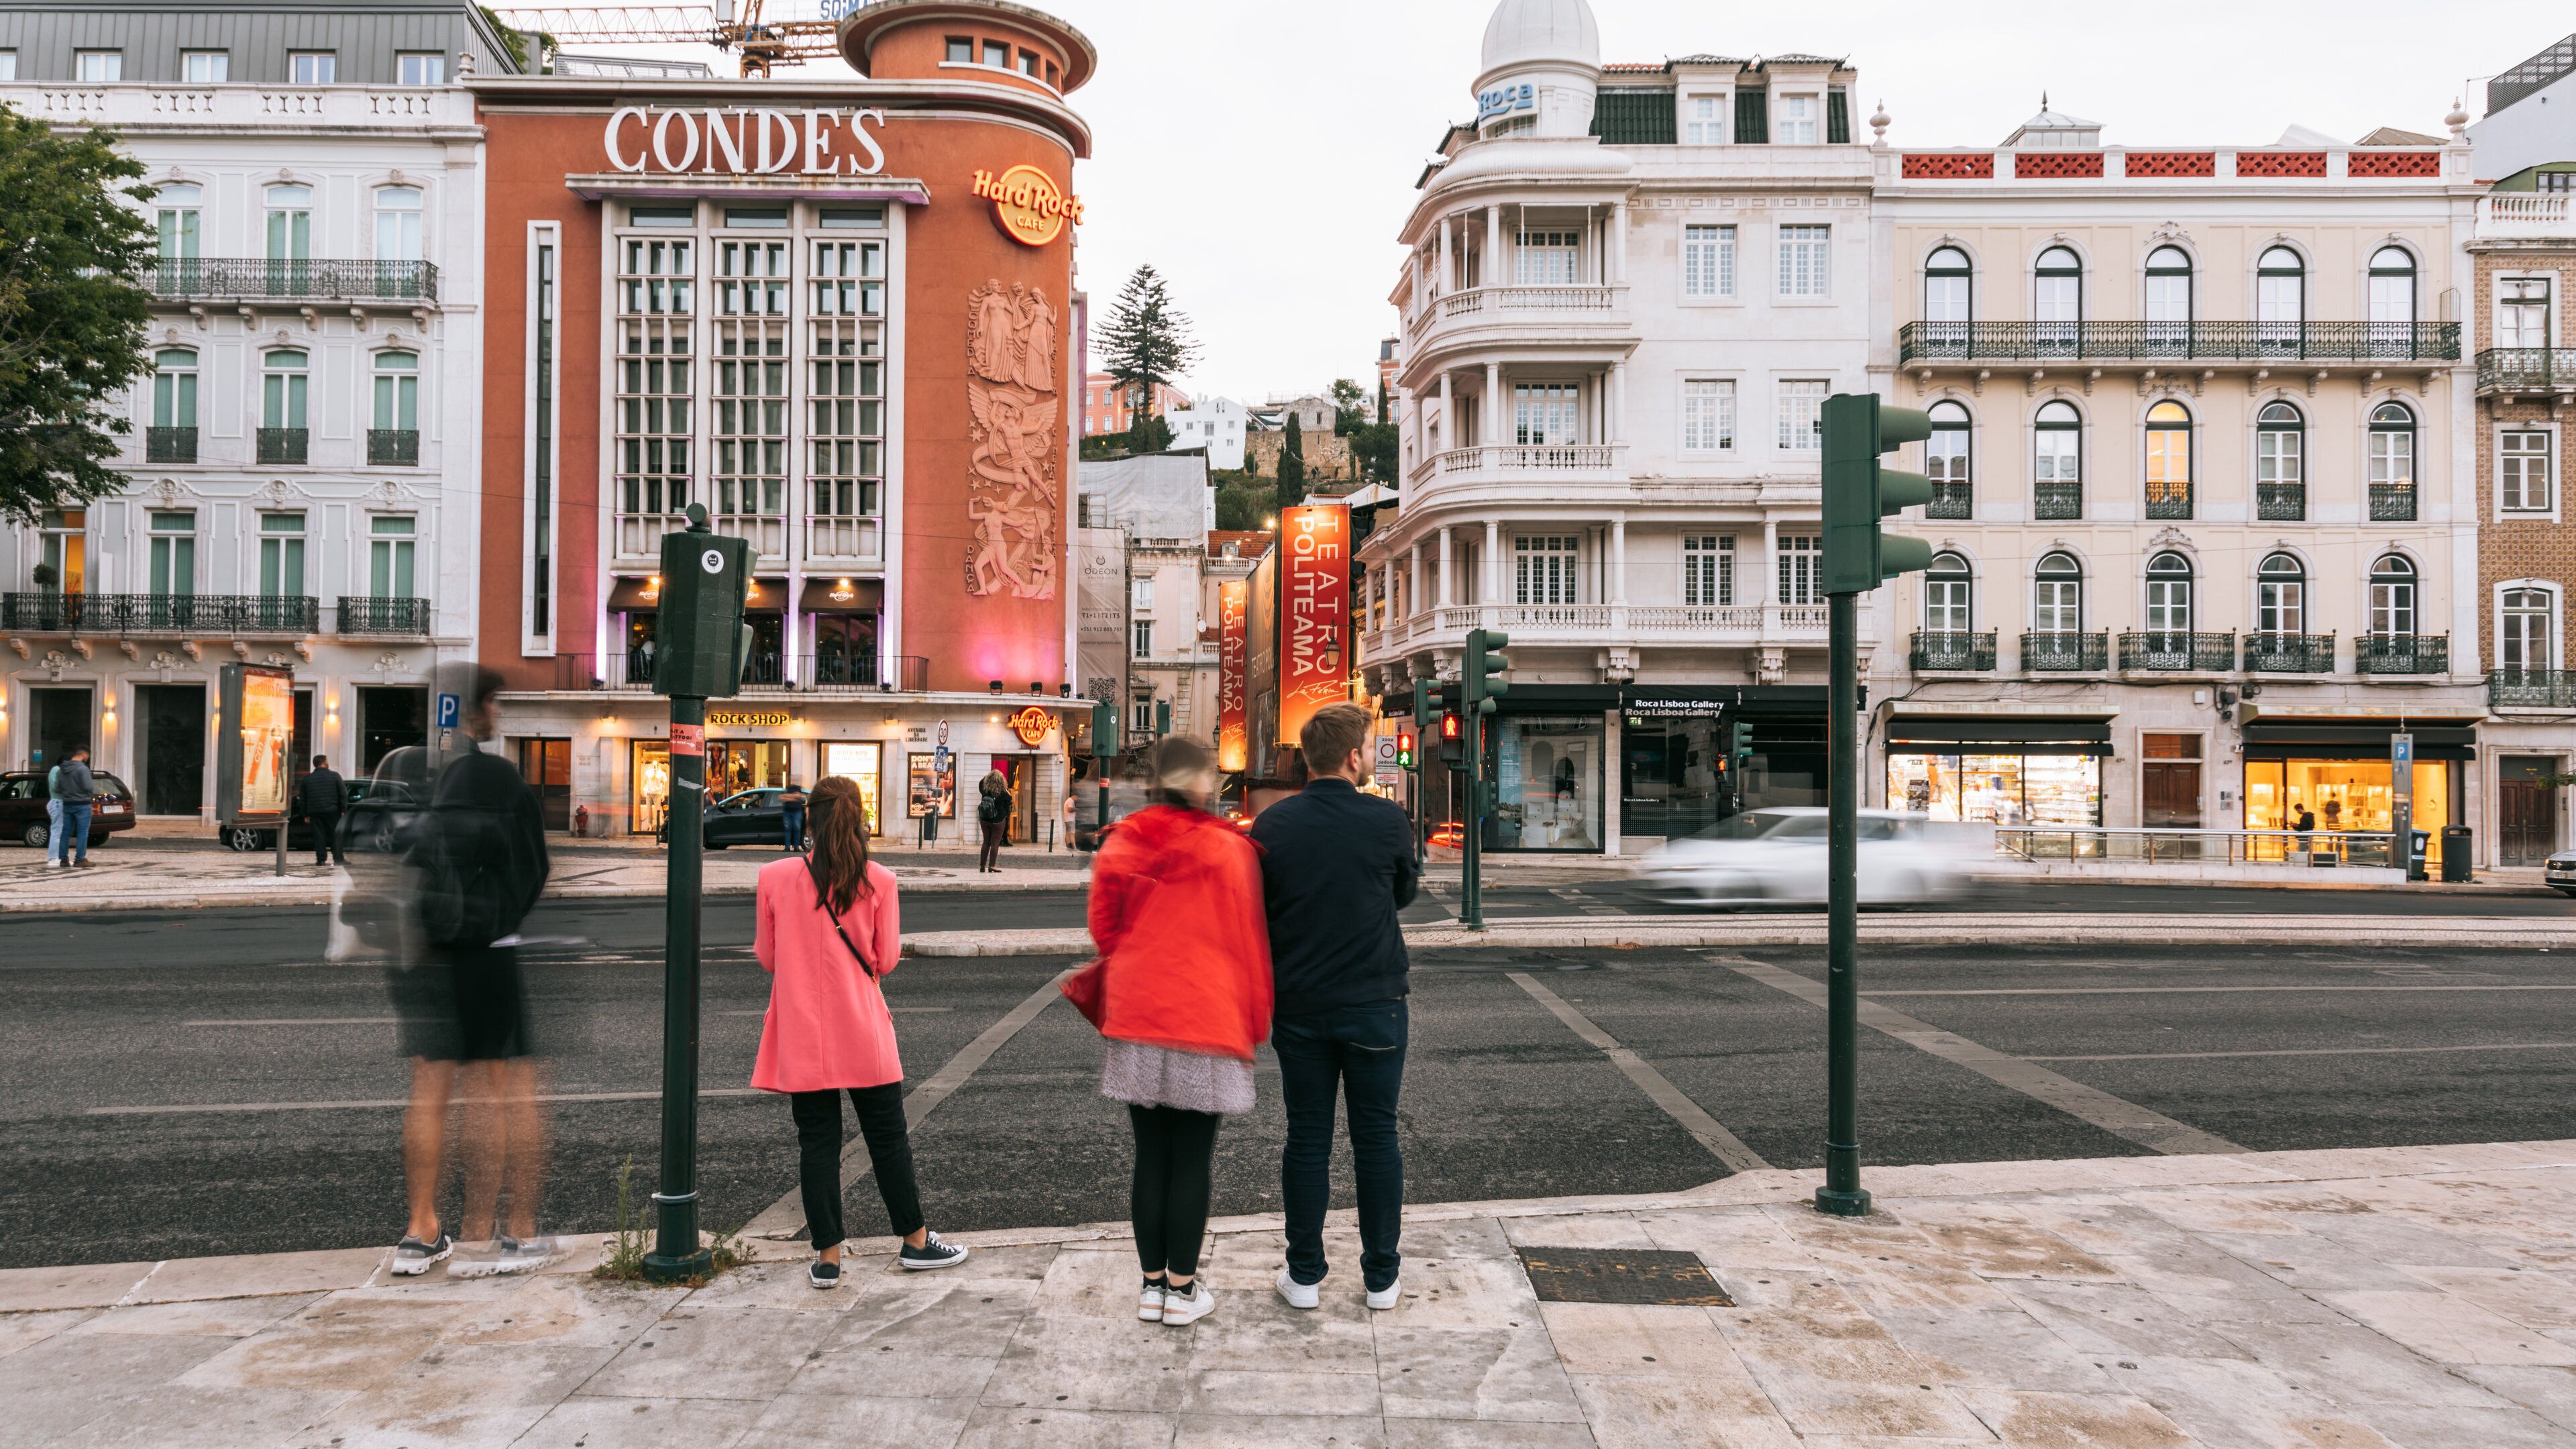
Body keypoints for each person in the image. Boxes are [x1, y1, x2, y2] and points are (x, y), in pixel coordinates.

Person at [1080, 735, 1271, 1328]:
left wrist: (1143, 961)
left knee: (1149, 1155)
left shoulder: (1125, 840)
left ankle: (1152, 1286)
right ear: (1204, 782)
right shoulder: (1230, 850)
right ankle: (1184, 1291)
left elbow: (1103, 929)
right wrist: (1256, 1015)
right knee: (1192, 1157)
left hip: (1139, 1014)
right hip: (1205, 1013)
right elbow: (1248, 939)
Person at [753, 775, 968, 1287]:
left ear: (811, 817)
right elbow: (887, 960)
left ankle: (828, 1257)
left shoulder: (774, 877)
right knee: (888, 1140)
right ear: (859, 819)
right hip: (863, 1029)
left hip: (802, 1034)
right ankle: (915, 1241)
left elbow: (766, 958)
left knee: (817, 1143)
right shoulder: (880, 882)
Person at [1250, 702, 1417, 1313]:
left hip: (1300, 1006)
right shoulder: (1387, 820)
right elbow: (1403, 892)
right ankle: (1381, 1279)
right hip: (1375, 1002)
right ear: (1353, 756)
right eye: (1369, 748)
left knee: (1307, 1140)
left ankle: (1305, 1276)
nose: (1371, 756)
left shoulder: (1271, 826)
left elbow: (1260, 912)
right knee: (1376, 1137)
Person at [391, 669, 555, 1279]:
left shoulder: (406, 771)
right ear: (479, 709)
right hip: (484, 947)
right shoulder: (495, 774)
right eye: (495, 704)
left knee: (429, 1090)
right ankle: (516, 1232)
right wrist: (499, 916)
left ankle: (420, 1231)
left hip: (421, 947)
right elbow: (534, 863)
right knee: (504, 1089)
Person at [301, 754, 349, 867]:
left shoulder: (307, 778)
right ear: (324, 763)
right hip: (333, 811)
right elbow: (343, 794)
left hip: (315, 812)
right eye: (327, 761)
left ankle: (321, 860)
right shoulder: (335, 776)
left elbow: (303, 799)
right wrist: (343, 810)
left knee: (319, 837)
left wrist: (305, 814)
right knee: (335, 835)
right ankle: (338, 858)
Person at [54, 747, 95, 869]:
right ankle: (80, 859)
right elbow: (88, 787)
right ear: (83, 754)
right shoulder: (83, 769)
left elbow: (57, 788)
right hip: (82, 804)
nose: (87, 759)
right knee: (83, 832)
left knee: (65, 833)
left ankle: (63, 859)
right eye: (87, 756)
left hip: (67, 804)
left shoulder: (61, 770)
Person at [976, 765, 1012, 872]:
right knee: (995, 842)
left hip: (984, 819)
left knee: (986, 841)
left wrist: (988, 777)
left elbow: (981, 783)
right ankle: (992, 865)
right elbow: (1010, 798)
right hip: (998, 820)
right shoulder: (1002, 792)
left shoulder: (984, 789)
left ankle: (982, 866)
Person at [43, 757, 64, 868]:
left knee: (58, 832)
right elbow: (56, 786)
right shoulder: (56, 770)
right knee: (56, 831)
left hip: (57, 802)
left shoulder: (56, 770)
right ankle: (53, 857)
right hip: (57, 802)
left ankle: (59, 857)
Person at [780, 780, 808, 853]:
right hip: (788, 812)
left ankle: (796, 847)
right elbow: (782, 797)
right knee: (788, 830)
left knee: (796, 830)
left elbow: (799, 796)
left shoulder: (798, 788)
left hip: (797, 812)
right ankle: (788, 847)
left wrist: (788, 797)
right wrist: (794, 797)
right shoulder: (789, 788)